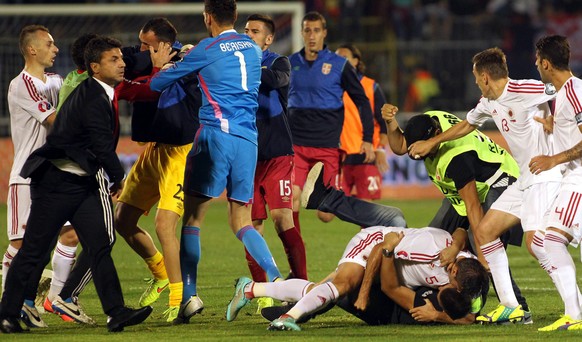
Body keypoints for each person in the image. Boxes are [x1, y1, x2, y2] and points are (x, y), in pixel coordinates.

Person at [0, 36, 152, 334]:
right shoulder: (93, 96)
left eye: (121, 58)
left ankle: (115, 312)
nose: (122, 64)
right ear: (95, 67)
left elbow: (95, 144)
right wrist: (118, 177)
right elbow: (99, 142)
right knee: (33, 250)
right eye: (114, 60)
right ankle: (7, 313)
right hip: (56, 182)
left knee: (99, 245)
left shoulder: (99, 90)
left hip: (79, 182)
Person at [407, 47, 563, 324]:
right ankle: (512, 306)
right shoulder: (488, 102)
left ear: (486, 77)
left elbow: (565, 93)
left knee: (541, 243)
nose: (475, 81)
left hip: (547, 176)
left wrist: (555, 117)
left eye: (476, 76)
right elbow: (467, 124)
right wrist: (433, 142)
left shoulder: (526, 89)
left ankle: (573, 309)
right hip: (527, 179)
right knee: (486, 232)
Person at [150, 0, 283, 323]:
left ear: (207, 17)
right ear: (235, 17)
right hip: (247, 140)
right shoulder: (252, 48)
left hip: (215, 137)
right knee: (242, 221)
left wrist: (162, 64)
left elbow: (157, 84)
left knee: (193, 218)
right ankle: (276, 279)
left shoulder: (206, 48)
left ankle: (190, 295)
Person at [226, 226, 487, 331]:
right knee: (343, 286)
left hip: (390, 268)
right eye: (455, 286)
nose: (455, 291)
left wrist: (438, 315)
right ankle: (288, 319)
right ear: (452, 271)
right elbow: (381, 248)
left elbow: (461, 232)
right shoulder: (427, 251)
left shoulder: (468, 272)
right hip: (373, 243)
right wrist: (363, 292)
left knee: (321, 290)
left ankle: (250, 289)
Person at [114, 17, 200, 323]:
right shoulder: (142, 60)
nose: (139, 50)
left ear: (163, 45)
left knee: (165, 225)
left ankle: (181, 299)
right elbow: (125, 56)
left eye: (145, 45)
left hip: (180, 153)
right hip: (154, 150)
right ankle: (161, 273)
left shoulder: (189, 60)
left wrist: (179, 56)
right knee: (122, 221)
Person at [288, 11, 375, 228]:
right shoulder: (290, 64)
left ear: (324, 33)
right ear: (301, 32)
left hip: (327, 147)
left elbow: (362, 101)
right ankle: (295, 255)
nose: (311, 35)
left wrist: (367, 138)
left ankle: (318, 189)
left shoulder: (338, 64)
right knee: (290, 202)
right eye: (307, 30)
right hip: (296, 145)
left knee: (325, 214)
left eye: (316, 30)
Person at [3, 24, 65, 329]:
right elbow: (55, 120)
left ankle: (29, 303)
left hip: (52, 178)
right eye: (50, 44)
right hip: (26, 177)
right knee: (19, 244)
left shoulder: (55, 81)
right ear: (32, 49)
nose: (55, 49)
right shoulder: (21, 84)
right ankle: (7, 302)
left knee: (49, 242)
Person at [243, 14, 307, 303]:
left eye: (254, 31)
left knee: (282, 219)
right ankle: (263, 295)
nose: (247, 34)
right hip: (245, 156)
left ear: (268, 39)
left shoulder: (278, 62)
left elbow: (275, 80)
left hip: (277, 153)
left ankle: (301, 285)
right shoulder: (235, 64)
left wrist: (245, 61)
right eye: (245, 30)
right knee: (251, 225)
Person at [528, 35, 582, 331]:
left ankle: (574, 315)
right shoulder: (564, 94)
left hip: (578, 179)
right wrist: (555, 126)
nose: (537, 66)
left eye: (537, 62)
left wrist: (554, 159)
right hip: (572, 179)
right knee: (545, 239)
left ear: (546, 63)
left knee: (550, 239)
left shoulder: (574, 91)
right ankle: (575, 313)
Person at [335, 44, 388, 202]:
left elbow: (383, 122)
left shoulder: (370, 86)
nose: (339, 62)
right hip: (340, 155)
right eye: (337, 58)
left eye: (344, 58)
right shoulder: (331, 87)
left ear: (356, 61)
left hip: (365, 154)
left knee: (367, 210)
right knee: (325, 214)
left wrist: (380, 150)